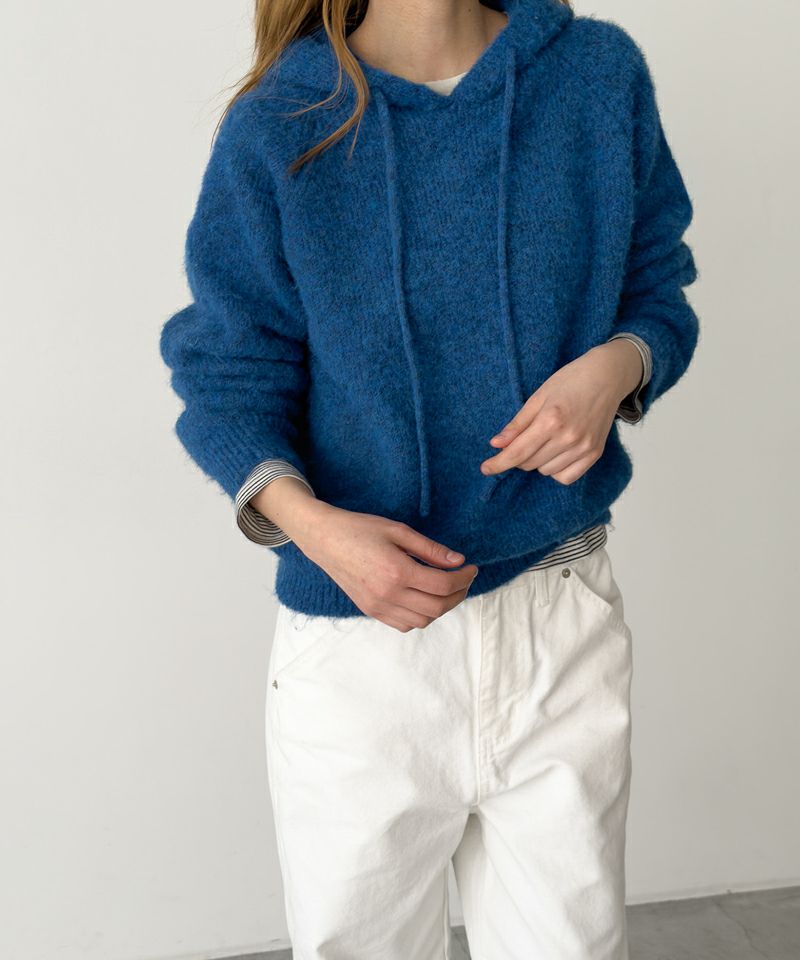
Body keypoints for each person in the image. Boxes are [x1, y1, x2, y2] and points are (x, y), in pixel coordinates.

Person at [159, 0, 699, 955]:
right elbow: (227, 374)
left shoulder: (596, 75)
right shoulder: (282, 122)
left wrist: (619, 366)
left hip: (558, 624)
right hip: (360, 651)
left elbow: (657, 289)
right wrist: (316, 531)